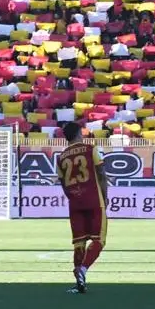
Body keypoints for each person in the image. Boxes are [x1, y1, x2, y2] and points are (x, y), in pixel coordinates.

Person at [58, 121, 108, 293]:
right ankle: (83, 269)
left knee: (79, 243)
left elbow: (62, 182)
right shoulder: (91, 149)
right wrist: (105, 196)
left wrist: (72, 196)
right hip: (94, 199)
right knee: (98, 240)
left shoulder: (62, 156)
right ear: (79, 133)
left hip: (75, 202)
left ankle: (79, 284)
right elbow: (101, 173)